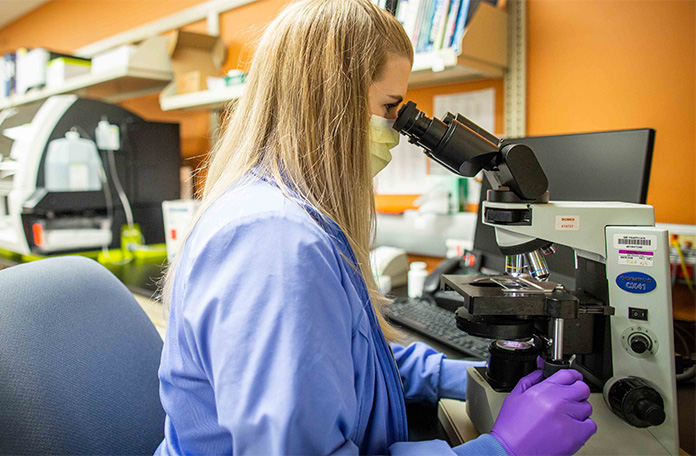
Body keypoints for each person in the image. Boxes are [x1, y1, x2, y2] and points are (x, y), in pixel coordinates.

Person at [155, 0, 597, 454]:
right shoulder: (276, 241)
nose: (396, 127)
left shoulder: (292, 213)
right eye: (390, 106)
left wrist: (476, 372)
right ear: (329, 103)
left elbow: (354, 359)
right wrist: (502, 449)